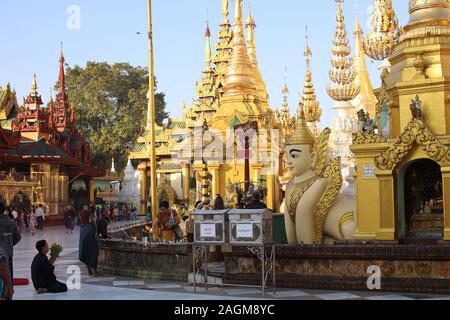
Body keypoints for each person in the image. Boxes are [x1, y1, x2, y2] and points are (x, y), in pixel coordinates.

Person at [0, 202, 21, 286]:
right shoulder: (11, 221)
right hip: (8, 253)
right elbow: (18, 237)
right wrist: (9, 245)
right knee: (9, 275)